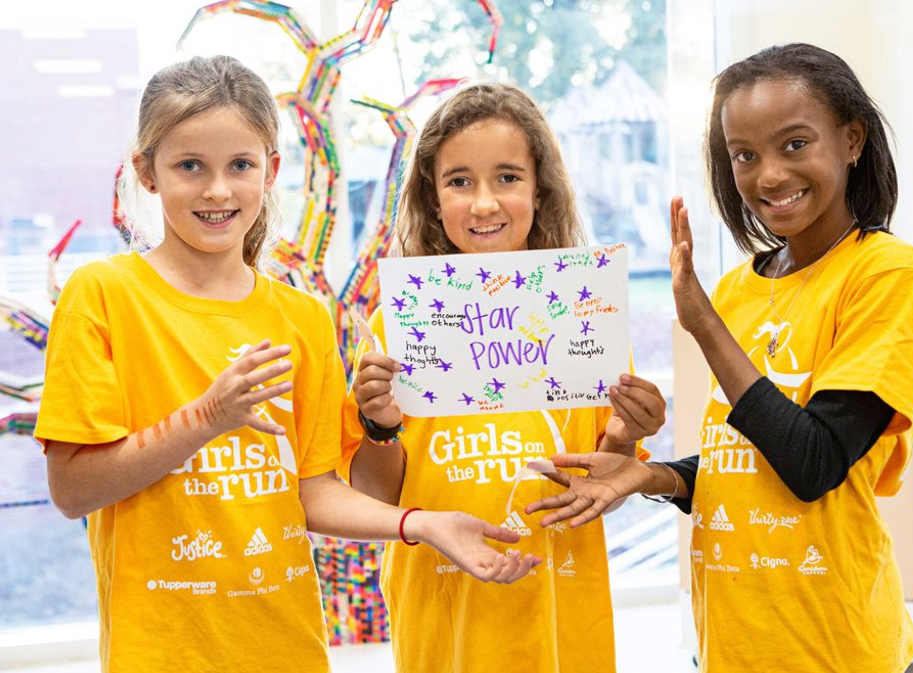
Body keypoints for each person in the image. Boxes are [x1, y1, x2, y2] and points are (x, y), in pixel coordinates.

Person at [35, 55, 539, 673]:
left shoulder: (302, 317)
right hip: (161, 651)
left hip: (290, 647)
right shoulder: (102, 294)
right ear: (145, 171)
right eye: (189, 166)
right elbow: (72, 490)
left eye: (240, 165)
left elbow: (316, 493)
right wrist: (208, 416)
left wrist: (421, 524)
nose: (218, 190)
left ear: (271, 170)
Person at [527, 43, 913, 673]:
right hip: (732, 642)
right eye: (744, 155)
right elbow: (744, 463)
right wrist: (654, 477)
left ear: (851, 139)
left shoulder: (886, 273)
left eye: (794, 144)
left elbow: (813, 463)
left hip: (833, 644)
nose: (767, 175)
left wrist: (703, 326)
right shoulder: (738, 289)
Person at [342, 81, 668, 673]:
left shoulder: (585, 315)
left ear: (540, 191)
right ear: (433, 199)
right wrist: (379, 427)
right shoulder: (402, 323)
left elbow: (600, 488)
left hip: (557, 615)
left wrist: (624, 437)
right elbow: (374, 497)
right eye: (459, 181)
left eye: (508, 177)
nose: (484, 202)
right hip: (443, 619)